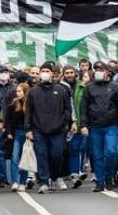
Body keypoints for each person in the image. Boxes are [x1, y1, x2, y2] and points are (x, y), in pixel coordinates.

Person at [25, 61, 72, 193]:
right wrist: (28, 129)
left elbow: (68, 109)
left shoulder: (61, 90)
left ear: (52, 74)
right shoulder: (33, 91)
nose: (45, 74)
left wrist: (65, 122)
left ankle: (55, 176)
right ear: (39, 74)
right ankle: (44, 182)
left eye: (48, 71)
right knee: (41, 155)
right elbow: (29, 111)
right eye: (43, 71)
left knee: (57, 155)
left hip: (58, 130)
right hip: (39, 130)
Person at [80, 61, 118, 192]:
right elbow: (83, 108)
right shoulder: (89, 88)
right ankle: (100, 182)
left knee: (112, 152)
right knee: (97, 155)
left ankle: (109, 177)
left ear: (107, 72)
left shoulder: (114, 87)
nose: (98, 71)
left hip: (111, 126)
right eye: (96, 69)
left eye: (100, 69)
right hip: (95, 127)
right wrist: (83, 125)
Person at [4, 82, 30, 191]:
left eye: (20, 91)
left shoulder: (30, 104)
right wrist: (9, 132)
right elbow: (8, 120)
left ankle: (23, 182)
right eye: (17, 91)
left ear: (25, 91)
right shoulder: (14, 104)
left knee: (25, 159)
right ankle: (15, 181)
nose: (17, 93)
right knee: (14, 158)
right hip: (17, 133)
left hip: (27, 134)